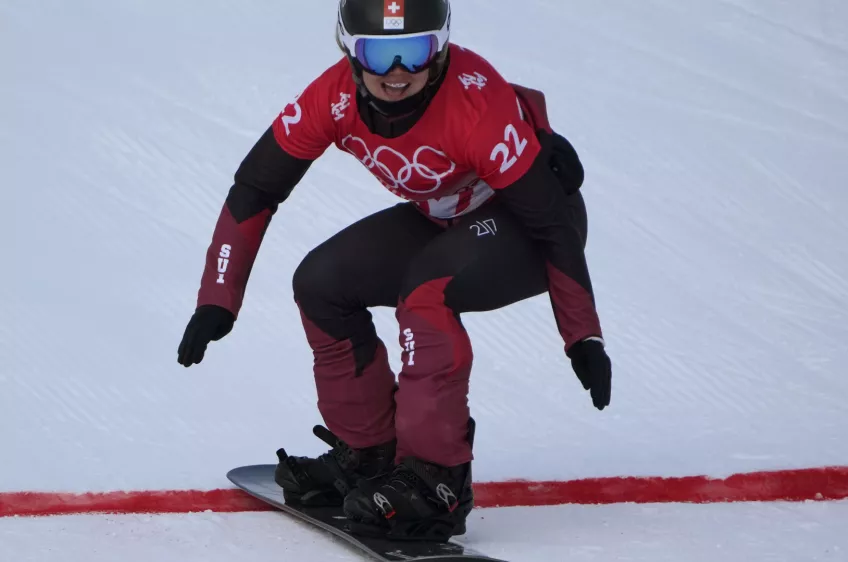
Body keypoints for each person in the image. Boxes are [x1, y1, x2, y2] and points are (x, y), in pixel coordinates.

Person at [176, 0, 612, 542]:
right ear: (348, 50)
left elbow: (552, 226)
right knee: (320, 283)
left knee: (425, 293)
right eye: (378, 54)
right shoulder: (330, 98)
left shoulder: (477, 108)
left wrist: (582, 336)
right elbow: (256, 187)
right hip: (446, 217)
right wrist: (218, 296)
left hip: (532, 227)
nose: (398, 72)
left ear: (442, 47)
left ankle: (437, 481)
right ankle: (371, 455)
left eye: (415, 50)